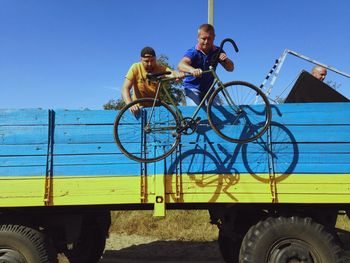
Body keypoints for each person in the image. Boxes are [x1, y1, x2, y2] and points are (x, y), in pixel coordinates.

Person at [178, 23, 234, 106]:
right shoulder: (193, 52)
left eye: (209, 38)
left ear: (214, 37)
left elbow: (230, 68)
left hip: (210, 88)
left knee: (219, 110)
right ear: (198, 38)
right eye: (203, 38)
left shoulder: (218, 51)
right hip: (192, 87)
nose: (206, 42)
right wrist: (192, 70)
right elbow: (181, 65)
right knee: (196, 114)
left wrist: (226, 60)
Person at [121, 46, 184, 115]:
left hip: (155, 109)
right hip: (139, 109)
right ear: (141, 60)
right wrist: (130, 104)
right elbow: (125, 88)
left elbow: (170, 73)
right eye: (146, 61)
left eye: (152, 60)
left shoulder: (160, 68)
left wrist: (177, 74)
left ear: (156, 59)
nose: (150, 64)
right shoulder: (135, 67)